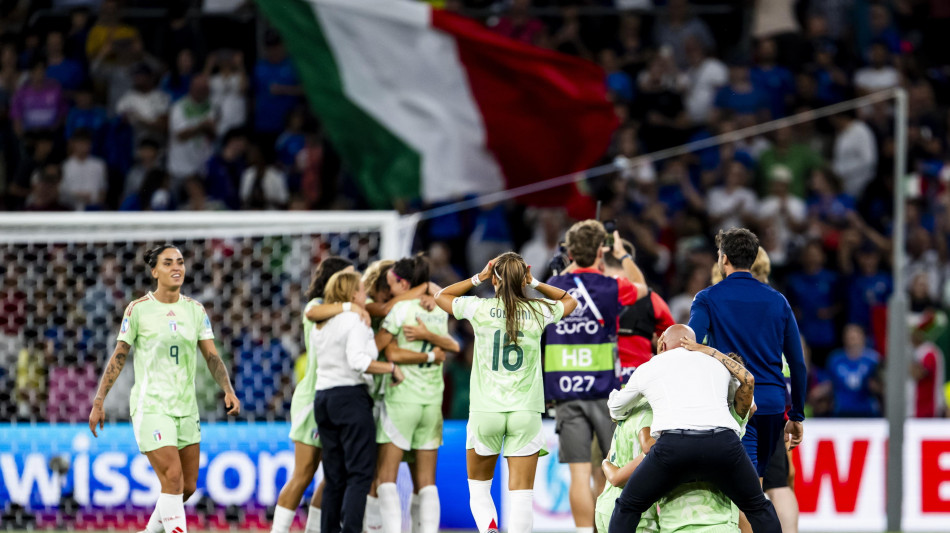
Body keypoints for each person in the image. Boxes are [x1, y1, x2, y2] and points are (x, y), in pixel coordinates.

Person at [88, 244, 241, 533]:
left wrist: (227, 389)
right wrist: (99, 401)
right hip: (152, 406)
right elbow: (119, 356)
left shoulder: (195, 310)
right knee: (172, 478)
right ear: (154, 271)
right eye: (168, 263)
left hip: (186, 407)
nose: (176, 268)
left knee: (187, 486)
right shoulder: (138, 310)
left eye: (180, 262)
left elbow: (211, 355)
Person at [434, 252, 577, 533]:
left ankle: (489, 530)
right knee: (522, 496)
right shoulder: (538, 310)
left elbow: (441, 296)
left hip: (486, 411)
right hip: (526, 412)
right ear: (523, 278)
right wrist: (534, 282)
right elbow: (570, 300)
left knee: (479, 490)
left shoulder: (480, 308)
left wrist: (479, 277)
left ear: (495, 279)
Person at [607, 324, 781, 533]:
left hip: (675, 448)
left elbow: (616, 409)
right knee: (759, 508)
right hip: (722, 445)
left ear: (662, 343)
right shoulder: (716, 364)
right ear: (696, 343)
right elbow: (750, 402)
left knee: (627, 507)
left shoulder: (651, 366)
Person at [544, 220, 648, 533]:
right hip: (605, 394)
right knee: (613, 470)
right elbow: (642, 288)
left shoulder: (553, 287)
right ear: (600, 252)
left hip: (564, 391)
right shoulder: (611, 285)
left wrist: (559, 273)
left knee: (578, 475)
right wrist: (623, 256)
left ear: (570, 250)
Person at [689, 228, 806, 479]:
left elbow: (691, 343)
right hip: (772, 407)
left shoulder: (708, 298)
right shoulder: (778, 301)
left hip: (732, 403)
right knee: (755, 485)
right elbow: (797, 363)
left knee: (743, 492)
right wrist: (796, 414)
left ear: (724, 259)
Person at [271, 257, 367, 533]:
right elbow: (314, 313)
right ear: (333, 279)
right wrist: (350, 305)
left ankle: (314, 529)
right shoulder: (317, 306)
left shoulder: (350, 310)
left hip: (337, 400)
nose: (353, 283)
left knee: (335, 474)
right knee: (303, 474)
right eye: (347, 277)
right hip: (313, 400)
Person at [311, 270, 406, 533]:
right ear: (353, 294)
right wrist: (390, 368)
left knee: (334, 477)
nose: (365, 296)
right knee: (360, 474)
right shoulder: (354, 320)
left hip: (324, 399)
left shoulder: (323, 323)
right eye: (362, 291)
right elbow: (358, 361)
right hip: (350, 399)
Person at [373, 255, 459, 533]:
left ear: (403, 283)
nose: (389, 290)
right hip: (432, 402)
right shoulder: (438, 311)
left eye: (391, 284)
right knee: (426, 482)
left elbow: (379, 349)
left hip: (401, 399)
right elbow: (445, 351)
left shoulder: (400, 310)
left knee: (385, 477)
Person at [603, 240, 674, 378]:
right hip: (640, 382)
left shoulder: (589, 295)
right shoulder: (652, 299)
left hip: (600, 381)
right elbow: (675, 341)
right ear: (630, 263)